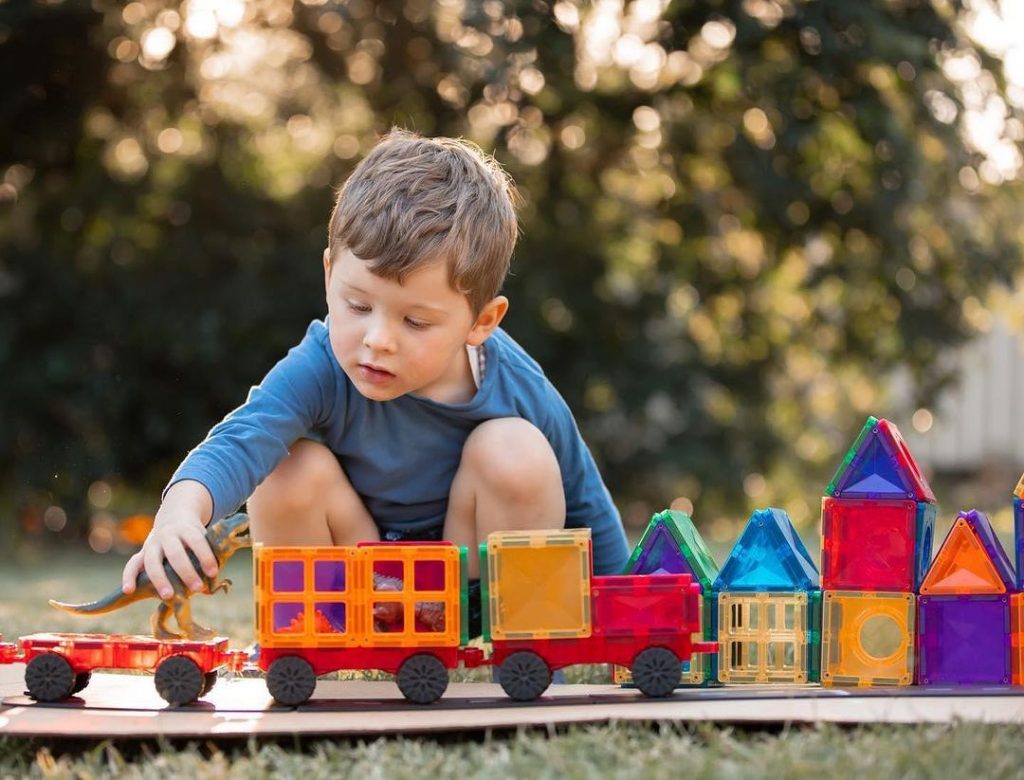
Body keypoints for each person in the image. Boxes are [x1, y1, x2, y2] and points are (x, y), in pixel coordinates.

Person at [121, 129, 629, 633]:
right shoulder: (319, 366)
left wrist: (626, 611)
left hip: (469, 593)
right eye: (358, 306)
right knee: (285, 467)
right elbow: (242, 439)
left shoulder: (516, 384)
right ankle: (308, 638)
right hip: (360, 586)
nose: (378, 340)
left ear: (482, 322)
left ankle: (522, 647)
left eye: (416, 322)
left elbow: (583, 496)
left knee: (517, 450)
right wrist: (179, 511)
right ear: (329, 276)